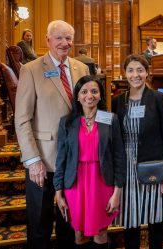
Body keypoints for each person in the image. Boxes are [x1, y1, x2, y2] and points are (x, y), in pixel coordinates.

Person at [14, 20, 89, 249]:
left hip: (74, 159)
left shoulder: (81, 68)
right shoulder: (31, 69)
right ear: (48, 40)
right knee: (40, 223)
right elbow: (22, 119)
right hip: (43, 160)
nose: (64, 43)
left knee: (69, 222)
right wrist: (32, 159)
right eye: (59, 38)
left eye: (68, 38)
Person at [53, 75, 126, 249]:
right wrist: (58, 192)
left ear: (101, 95)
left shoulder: (110, 119)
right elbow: (61, 159)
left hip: (102, 182)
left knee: (101, 232)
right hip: (75, 184)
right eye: (84, 91)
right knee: (79, 233)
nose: (89, 96)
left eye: (94, 91)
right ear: (77, 96)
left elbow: (119, 157)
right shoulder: (67, 122)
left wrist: (117, 192)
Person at [112, 54, 163, 249]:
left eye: (140, 70)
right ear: (125, 73)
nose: (135, 75)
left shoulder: (158, 98)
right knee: (131, 221)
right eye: (130, 70)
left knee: (155, 219)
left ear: (147, 73)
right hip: (127, 169)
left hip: (152, 165)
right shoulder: (117, 102)